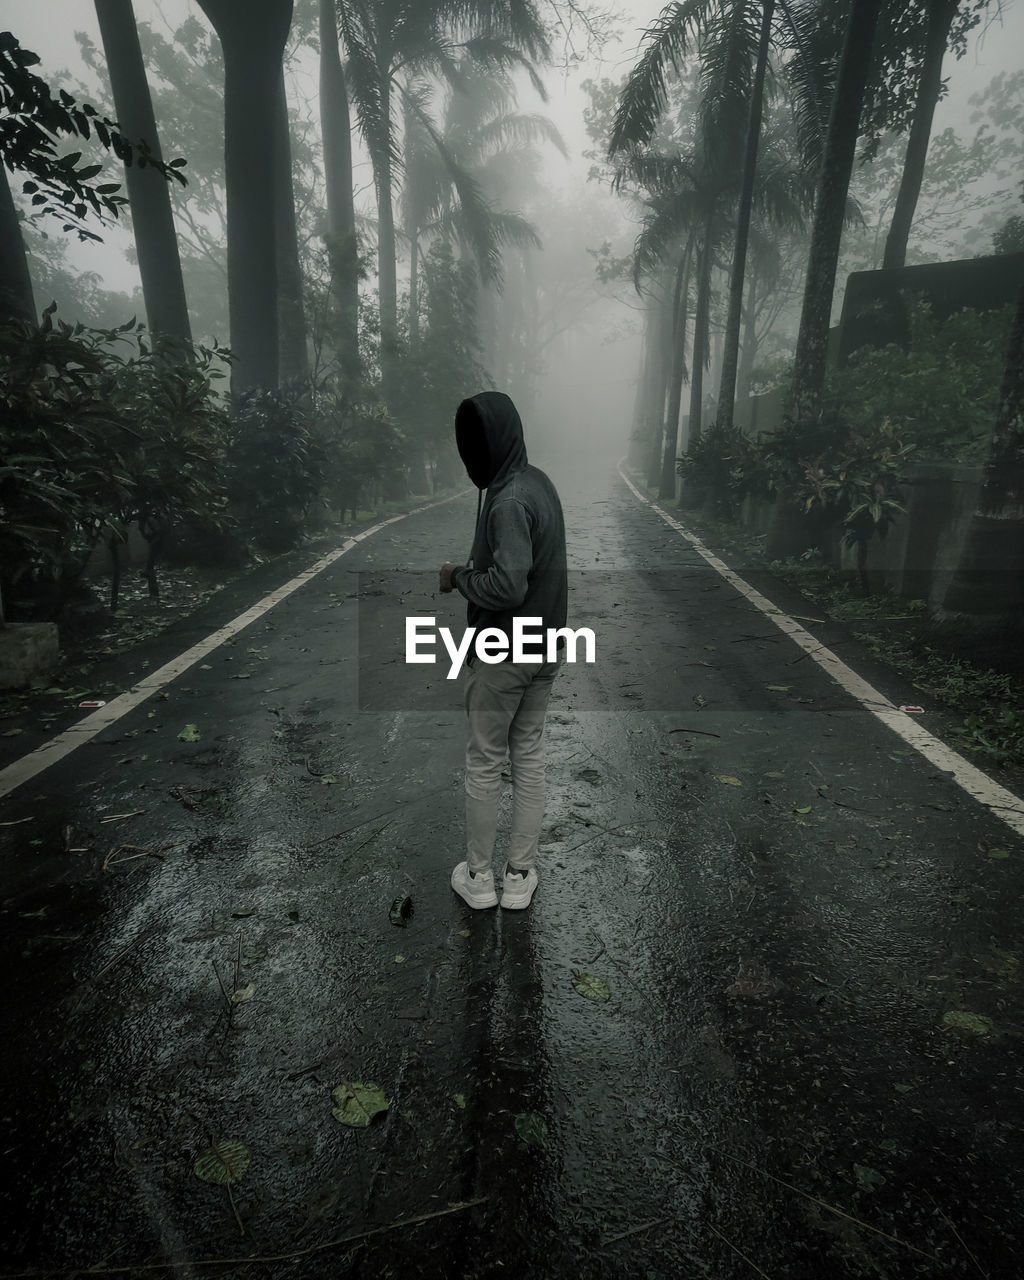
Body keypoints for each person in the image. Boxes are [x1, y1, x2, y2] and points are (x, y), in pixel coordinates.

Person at [439, 391, 567, 910]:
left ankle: (479, 878)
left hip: (504, 651)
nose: (472, 456)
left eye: (476, 444)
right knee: (529, 757)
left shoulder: (508, 502)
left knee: (486, 762)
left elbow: (510, 586)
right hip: (545, 646)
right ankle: (519, 876)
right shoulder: (539, 484)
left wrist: (460, 578)